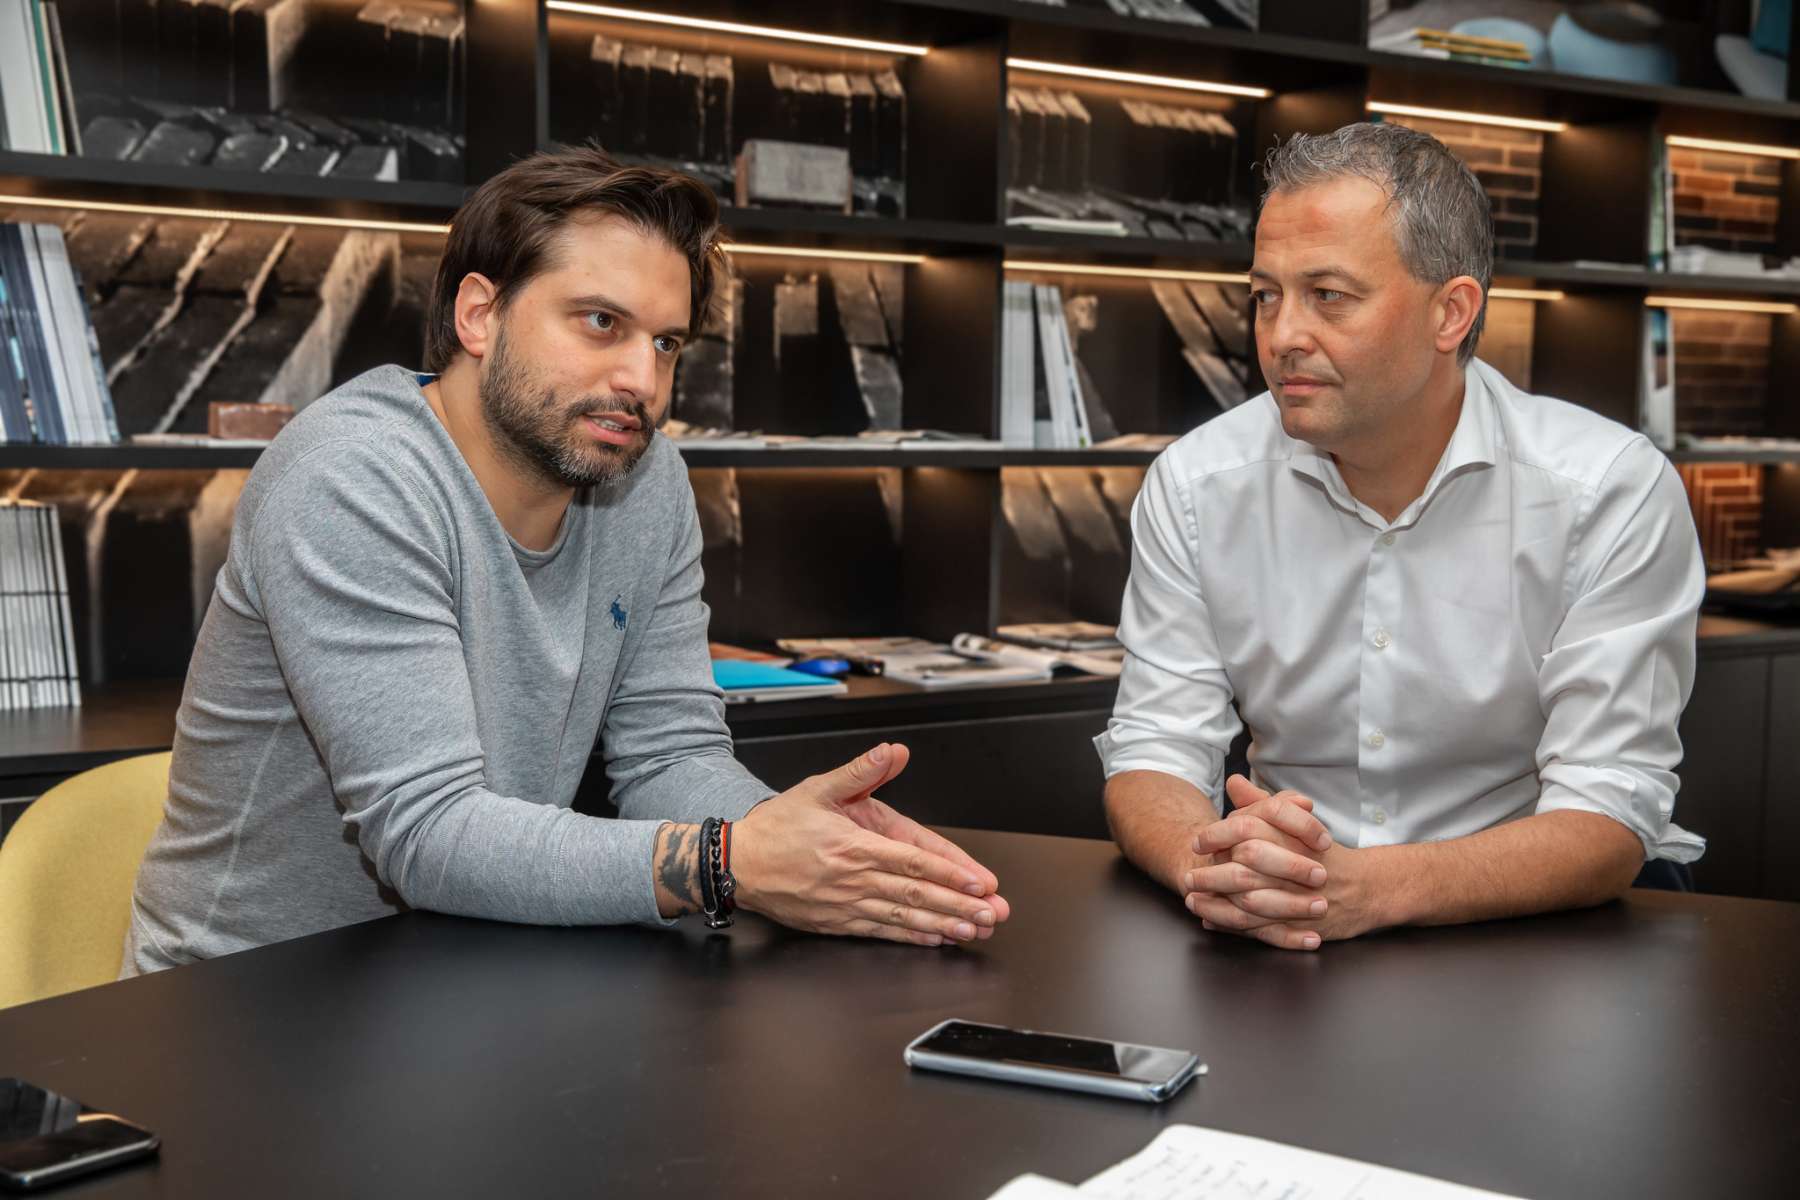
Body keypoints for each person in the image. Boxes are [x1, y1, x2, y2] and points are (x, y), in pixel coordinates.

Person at [122, 146, 1008, 975]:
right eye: (600, 322)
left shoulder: (646, 478)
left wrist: (810, 844)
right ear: (479, 313)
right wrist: (732, 861)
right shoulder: (352, 477)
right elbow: (428, 834)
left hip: (467, 971)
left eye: (665, 343)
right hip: (254, 1007)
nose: (642, 380)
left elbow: (668, 756)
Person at [1097, 121, 1704, 951]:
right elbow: (1154, 749)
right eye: (1266, 295)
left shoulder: (1609, 492)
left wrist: (1364, 888)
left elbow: (1608, 809)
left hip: (1528, 937)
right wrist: (1210, 867)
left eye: (1329, 295)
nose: (1281, 337)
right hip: (1273, 923)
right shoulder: (1197, 484)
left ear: (1450, 311)